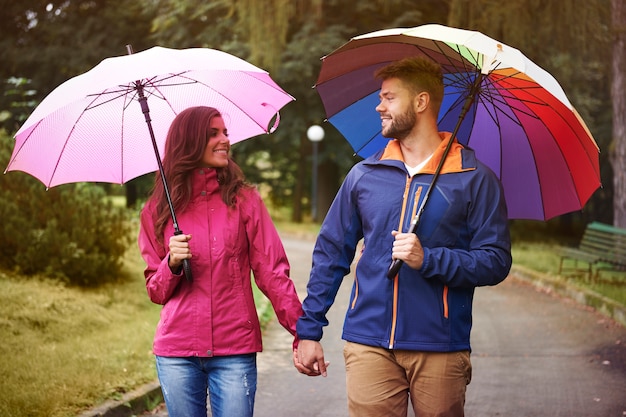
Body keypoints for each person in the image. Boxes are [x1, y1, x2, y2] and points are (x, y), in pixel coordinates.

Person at [294, 56, 512, 417]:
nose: (379, 106)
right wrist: (309, 329)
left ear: (421, 102)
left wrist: (429, 259)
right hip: (368, 342)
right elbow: (331, 254)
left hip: (440, 345)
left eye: (389, 97)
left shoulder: (474, 178)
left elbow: (495, 261)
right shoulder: (365, 174)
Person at [138, 106, 302, 417]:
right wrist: (171, 264)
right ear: (189, 142)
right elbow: (155, 291)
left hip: (234, 348)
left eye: (225, 132)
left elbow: (272, 271)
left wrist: (302, 331)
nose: (225, 140)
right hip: (177, 352)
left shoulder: (244, 201)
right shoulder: (158, 210)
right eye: (214, 133)